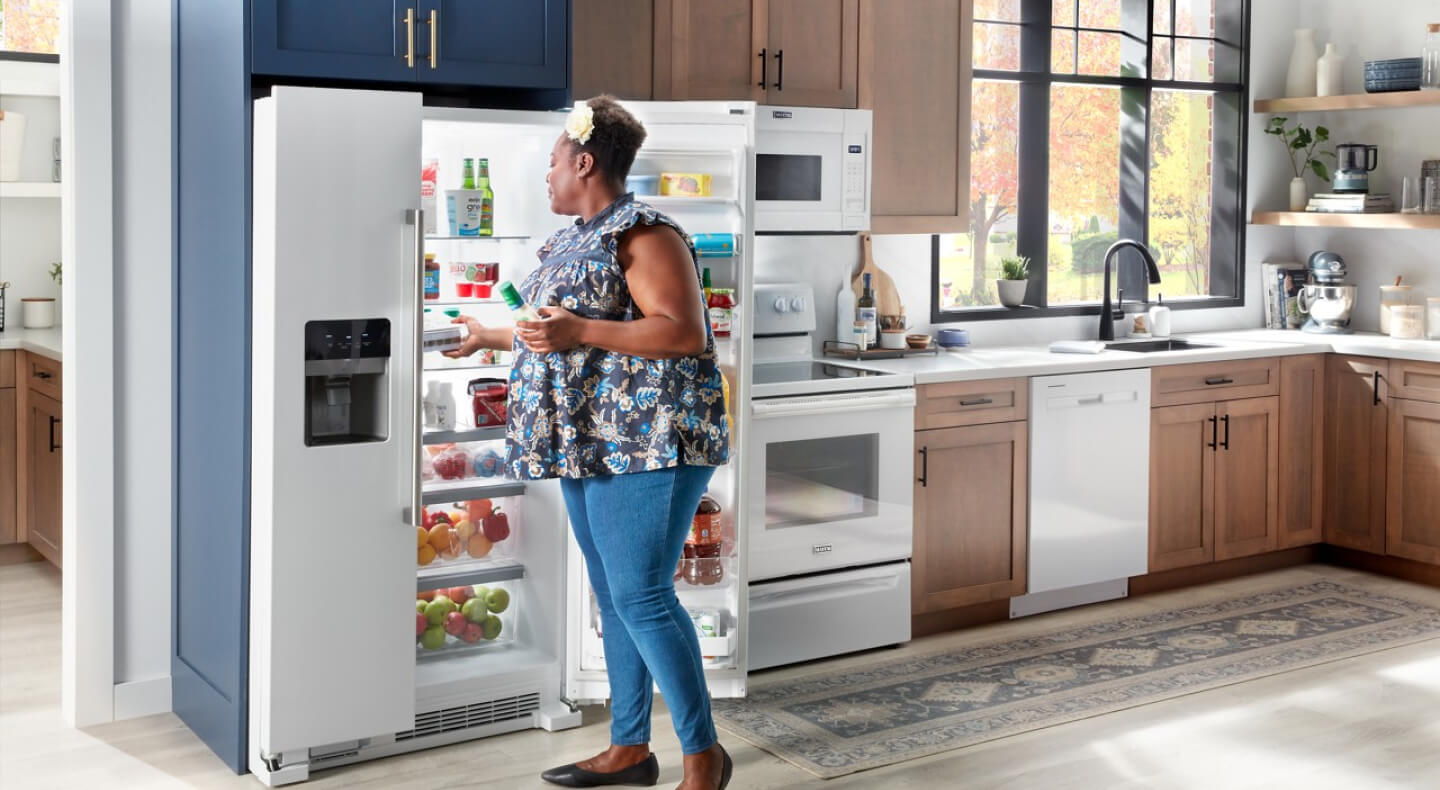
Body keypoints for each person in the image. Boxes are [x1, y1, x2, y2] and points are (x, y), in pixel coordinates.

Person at [445, 96, 733, 790]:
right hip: (587, 442)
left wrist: (577, 331)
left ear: (584, 161)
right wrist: (490, 335)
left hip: (649, 441)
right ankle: (630, 747)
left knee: (640, 596)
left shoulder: (646, 233)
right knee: (615, 596)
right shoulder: (569, 240)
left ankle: (703, 756)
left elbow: (682, 333)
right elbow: (553, 323)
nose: (546, 176)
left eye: (552, 163)